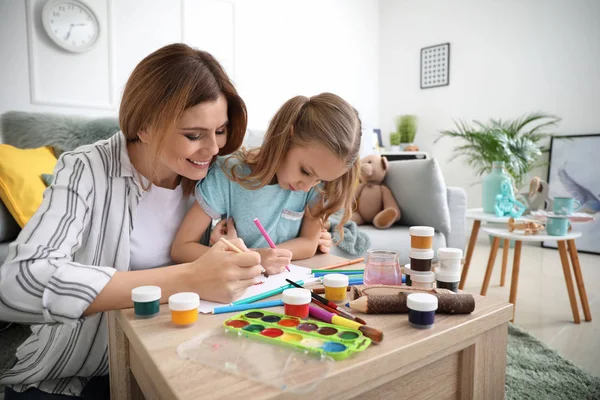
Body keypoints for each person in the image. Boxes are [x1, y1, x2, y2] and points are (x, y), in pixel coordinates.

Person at [0, 43, 332, 399]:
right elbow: (19, 283)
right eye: (193, 135)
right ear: (144, 125)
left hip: (193, 356)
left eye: (220, 131)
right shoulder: (87, 169)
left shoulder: (214, 177)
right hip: (89, 362)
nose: (213, 150)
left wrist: (307, 236)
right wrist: (187, 278)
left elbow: (270, 208)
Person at [171, 92, 362, 275]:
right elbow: (182, 248)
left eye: (320, 180)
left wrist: (263, 257)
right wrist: (253, 258)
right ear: (287, 137)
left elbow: (309, 243)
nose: (307, 187)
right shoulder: (228, 175)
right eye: (305, 171)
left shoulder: (313, 187)